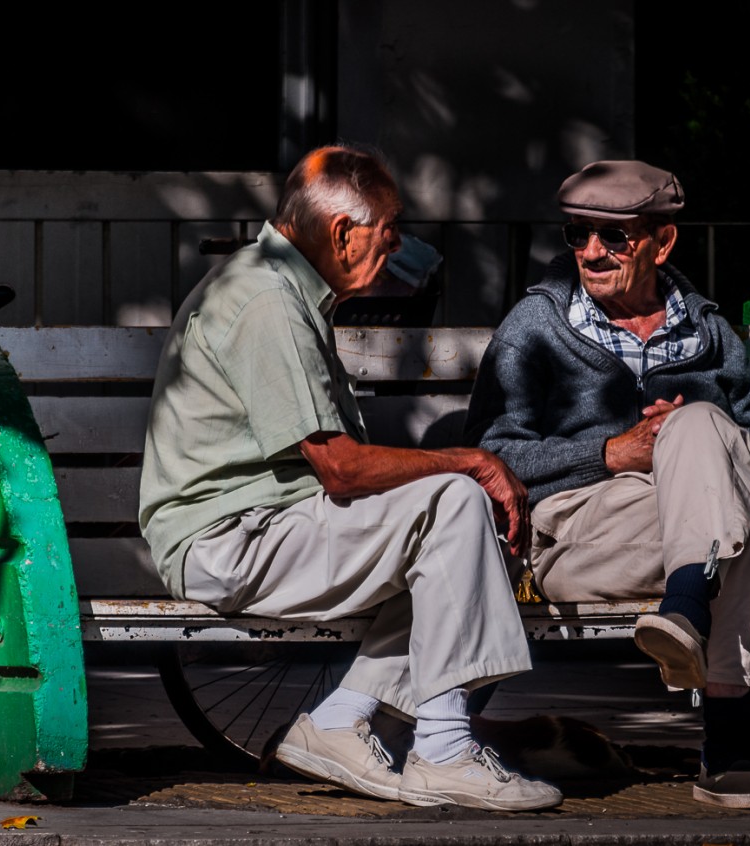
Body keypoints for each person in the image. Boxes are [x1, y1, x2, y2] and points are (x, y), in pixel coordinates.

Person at [138, 144, 561, 812]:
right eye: (388, 234)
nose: (395, 250)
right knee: (455, 500)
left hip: (264, 527)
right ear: (341, 233)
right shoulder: (265, 299)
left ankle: (341, 720)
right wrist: (470, 460)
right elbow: (338, 469)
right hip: (228, 542)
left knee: (460, 534)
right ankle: (445, 751)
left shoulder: (282, 287)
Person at [465, 160, 750, 810]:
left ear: (661, 242)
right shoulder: (535, 328)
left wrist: (702, 456)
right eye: (577, 234)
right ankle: (729, 742)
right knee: (721, 476)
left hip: (694, 533)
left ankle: (685, 606)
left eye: (612, 237)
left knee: (703, 428)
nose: (591, 252)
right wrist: (614, 452)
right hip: (578, 537)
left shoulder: (707, 334)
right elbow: (491, 455)